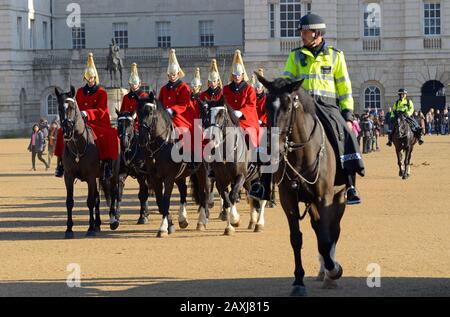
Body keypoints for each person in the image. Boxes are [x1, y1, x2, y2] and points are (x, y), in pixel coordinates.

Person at [282, 13, 364, 205]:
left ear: (316, 33)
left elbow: (344, 87)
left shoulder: (335, 56)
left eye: (305, 31)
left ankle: (350, 184)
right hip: (302, 107)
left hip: (327, 106)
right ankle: (266, 181)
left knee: (345, 135)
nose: (302, 35)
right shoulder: (295, 56)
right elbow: (287, 80)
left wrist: (348, 114)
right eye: (302, 31)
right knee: (276, 134)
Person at [54, 53, 119, 180]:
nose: (90, 80)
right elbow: (75, 107)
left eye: (92, 78)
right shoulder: (79, 92)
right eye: (88, 78)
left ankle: (107, 165)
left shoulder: (101, 92)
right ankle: (60, 164)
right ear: (85, 78)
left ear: (95, 78)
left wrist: (87, 113)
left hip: (97, 122)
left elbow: (101, 110)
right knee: (62, 132)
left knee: (108, 135)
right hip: (81, 122)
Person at [159, 49, 198, 168]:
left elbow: (184, 104)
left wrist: (172, 110)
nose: (172, 77)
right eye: (170, 75)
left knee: (184, 132)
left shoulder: (183, 87)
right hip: (165, 117)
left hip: (180, 116)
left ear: (178, 74)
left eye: (174, 74)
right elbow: (159, 102)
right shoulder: (164, 89)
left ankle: (189, 157)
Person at [120, 63, 149, 130]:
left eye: (135, 83)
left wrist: (137, 114)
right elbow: (122, 111)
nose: (133, 85)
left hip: (140, 124)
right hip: (128, 125)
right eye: (132, 84)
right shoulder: (126, 97)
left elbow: (147, 112)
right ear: (129, 84)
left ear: (139, 83)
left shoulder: (144, 96)